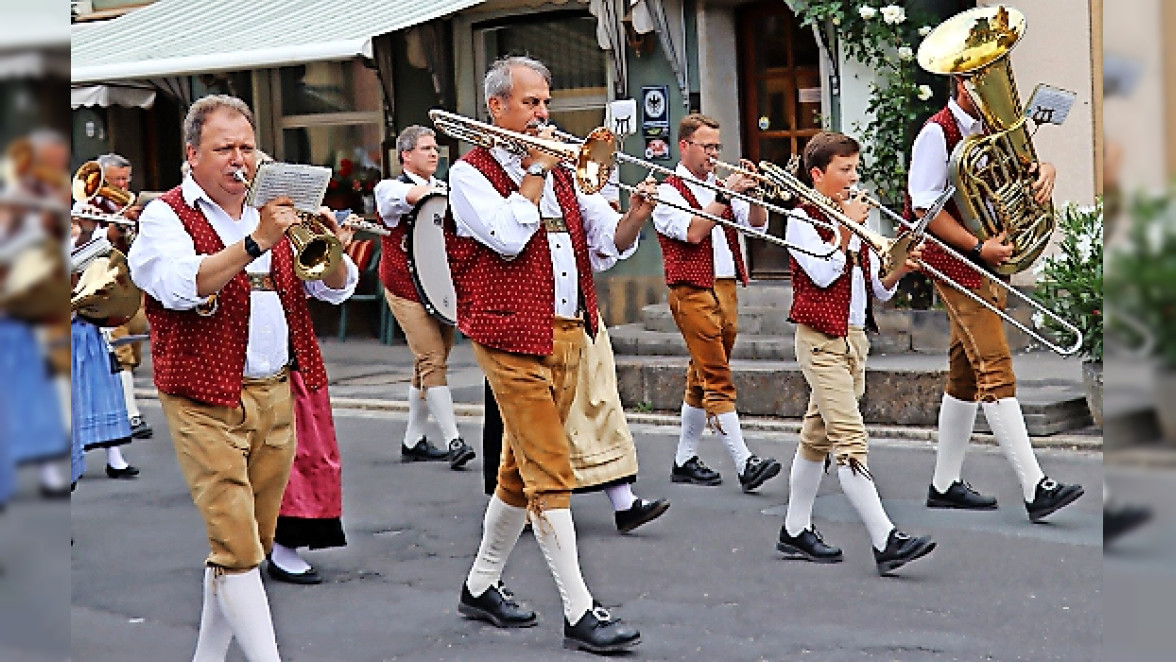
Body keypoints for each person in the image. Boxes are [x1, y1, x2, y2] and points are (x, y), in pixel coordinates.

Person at [128, 94, 358, 661]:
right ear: (192, 154)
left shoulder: (276, 209)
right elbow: (184, 285)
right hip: (203, 395)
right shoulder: (166, 215)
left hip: (275, 389)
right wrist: (256, 240)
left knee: (244, 545)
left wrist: (323, 241)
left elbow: (332, 287)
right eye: (223, 148)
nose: (239, 159)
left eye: (247, 147)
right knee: (236, 543)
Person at [447, 56, 655, 655]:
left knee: (521, 470)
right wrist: (532, 174)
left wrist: (635, 216)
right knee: (549, 470)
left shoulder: (562, 168)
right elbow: (508, 238)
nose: (543, 114)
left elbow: (602, 241)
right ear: (497, 109)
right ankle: (579, 610)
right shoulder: (470, 174)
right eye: (531, 104)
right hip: (508, 334)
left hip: (568, 331)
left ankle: (481, 583)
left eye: (546, 102)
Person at [906, 75, 1083, 522]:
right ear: (964, 85)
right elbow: (922, 207)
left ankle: (944, 484)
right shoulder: (937, 133)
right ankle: (1034, 485)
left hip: (988, 258)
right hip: (957, 260)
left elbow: (1025, 174)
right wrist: (976, 247)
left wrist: (1047, 174)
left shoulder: (994, 131)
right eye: (984, 80)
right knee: (994, 365)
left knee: (964, 373)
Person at [775, 132, 936, 575]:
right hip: (819, 339)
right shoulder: (800, 220)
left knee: (816, 436)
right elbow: (825, 274)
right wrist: (846, 230)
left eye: (854, 169)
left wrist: (899, 267)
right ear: (817, 175)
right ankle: (885, 538)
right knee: (849, 440)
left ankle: (794, 529)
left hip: (853, 339)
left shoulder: (856, 218)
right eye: (843, 170)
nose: (853, 178)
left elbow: (875, 291)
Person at [651, 113, 781, 492]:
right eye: (706, 146)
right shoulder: (668, 192)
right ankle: (744, 462)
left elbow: (756, 225)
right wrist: (725, 197)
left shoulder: (720, 185)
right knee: (718, 376)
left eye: (716, 147)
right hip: (691, 289)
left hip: (725, 287)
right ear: (685, 147)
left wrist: (754, 193)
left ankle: (684, 459)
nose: (713, 154)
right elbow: (693, 233)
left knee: (702, 374)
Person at [481, 319, 671, 534]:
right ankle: (515, 507)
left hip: (569, 317)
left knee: (595, 402)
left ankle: (624, 502)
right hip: (524, 318)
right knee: (526, 419)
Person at [373, 125, 475, 469]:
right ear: (406, 156)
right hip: (403, 287)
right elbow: (411, 199)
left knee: (430, 362)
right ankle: (454, 439)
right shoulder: (389, 188)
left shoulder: (443, 188)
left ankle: (413, 440)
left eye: (436, 149)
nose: (434, 154)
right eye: (426, 148)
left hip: (439, 289)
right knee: (432, 358)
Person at [88, 153, 153, 441]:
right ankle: (130, 414)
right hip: (103, 284)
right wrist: (114, 228)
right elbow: (85, 243)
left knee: (135, 337)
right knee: (120, 348)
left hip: (131, 281)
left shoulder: (129, 203)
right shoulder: (86, 205)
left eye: (126, 179)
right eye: (116, 180)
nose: (123, 185)